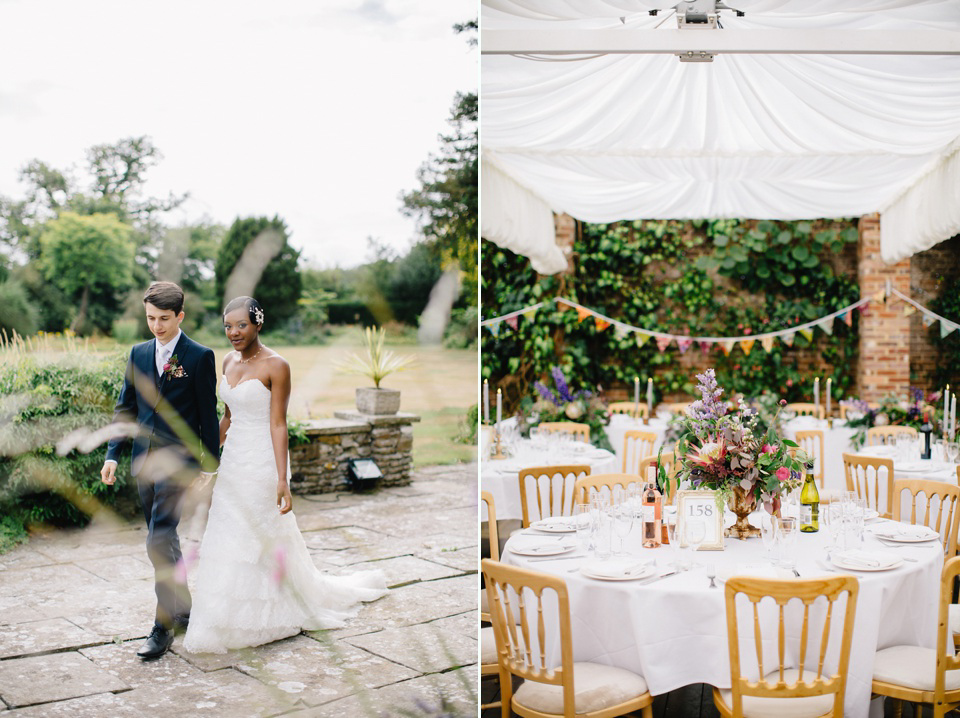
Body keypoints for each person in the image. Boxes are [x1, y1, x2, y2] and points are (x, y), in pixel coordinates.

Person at [183, 296, 387, 654]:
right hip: (233, 461)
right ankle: (225, 613)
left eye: (241, 325)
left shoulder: (277, 366)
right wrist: (205, 457)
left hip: (262, 460)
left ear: (258, 324)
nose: (233, 333)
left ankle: (271, 614)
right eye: (228, 326)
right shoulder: (228, 361)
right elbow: (228, 418)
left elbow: (279, 423)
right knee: (228, 533)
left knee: (257, 535)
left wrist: (282, 478)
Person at [101, 281, 220, 660]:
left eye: (164, 319)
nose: (156, 325)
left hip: (179, 465)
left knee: (157, 538)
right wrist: (112, 455)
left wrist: (210, 465)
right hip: (142, 462)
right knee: (163, 538)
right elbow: (126, 409)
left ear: (179, 316)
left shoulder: (199, 357)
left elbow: (206, 414)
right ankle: (184, 608)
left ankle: (162, 625)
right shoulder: (137, 354)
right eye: (150, 318)